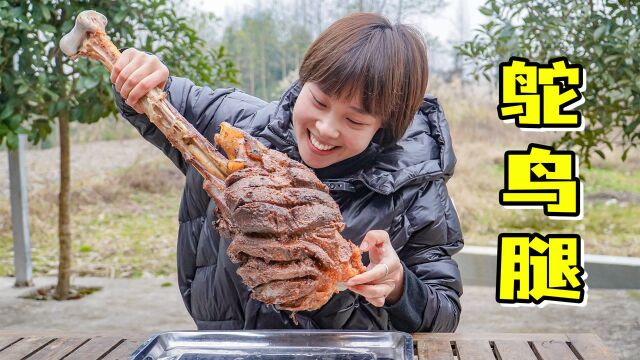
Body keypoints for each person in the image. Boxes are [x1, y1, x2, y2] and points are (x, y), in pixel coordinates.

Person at [110, 12, 463, 332]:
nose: (326, 128)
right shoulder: (240, 126)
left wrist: (400, 285)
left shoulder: (416, 190)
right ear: (303, 81)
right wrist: (141, 71)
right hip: (231, 348)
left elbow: (444, 312)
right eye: (319, 101)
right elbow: (159, 98)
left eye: (354, 119)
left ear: (385, 126)